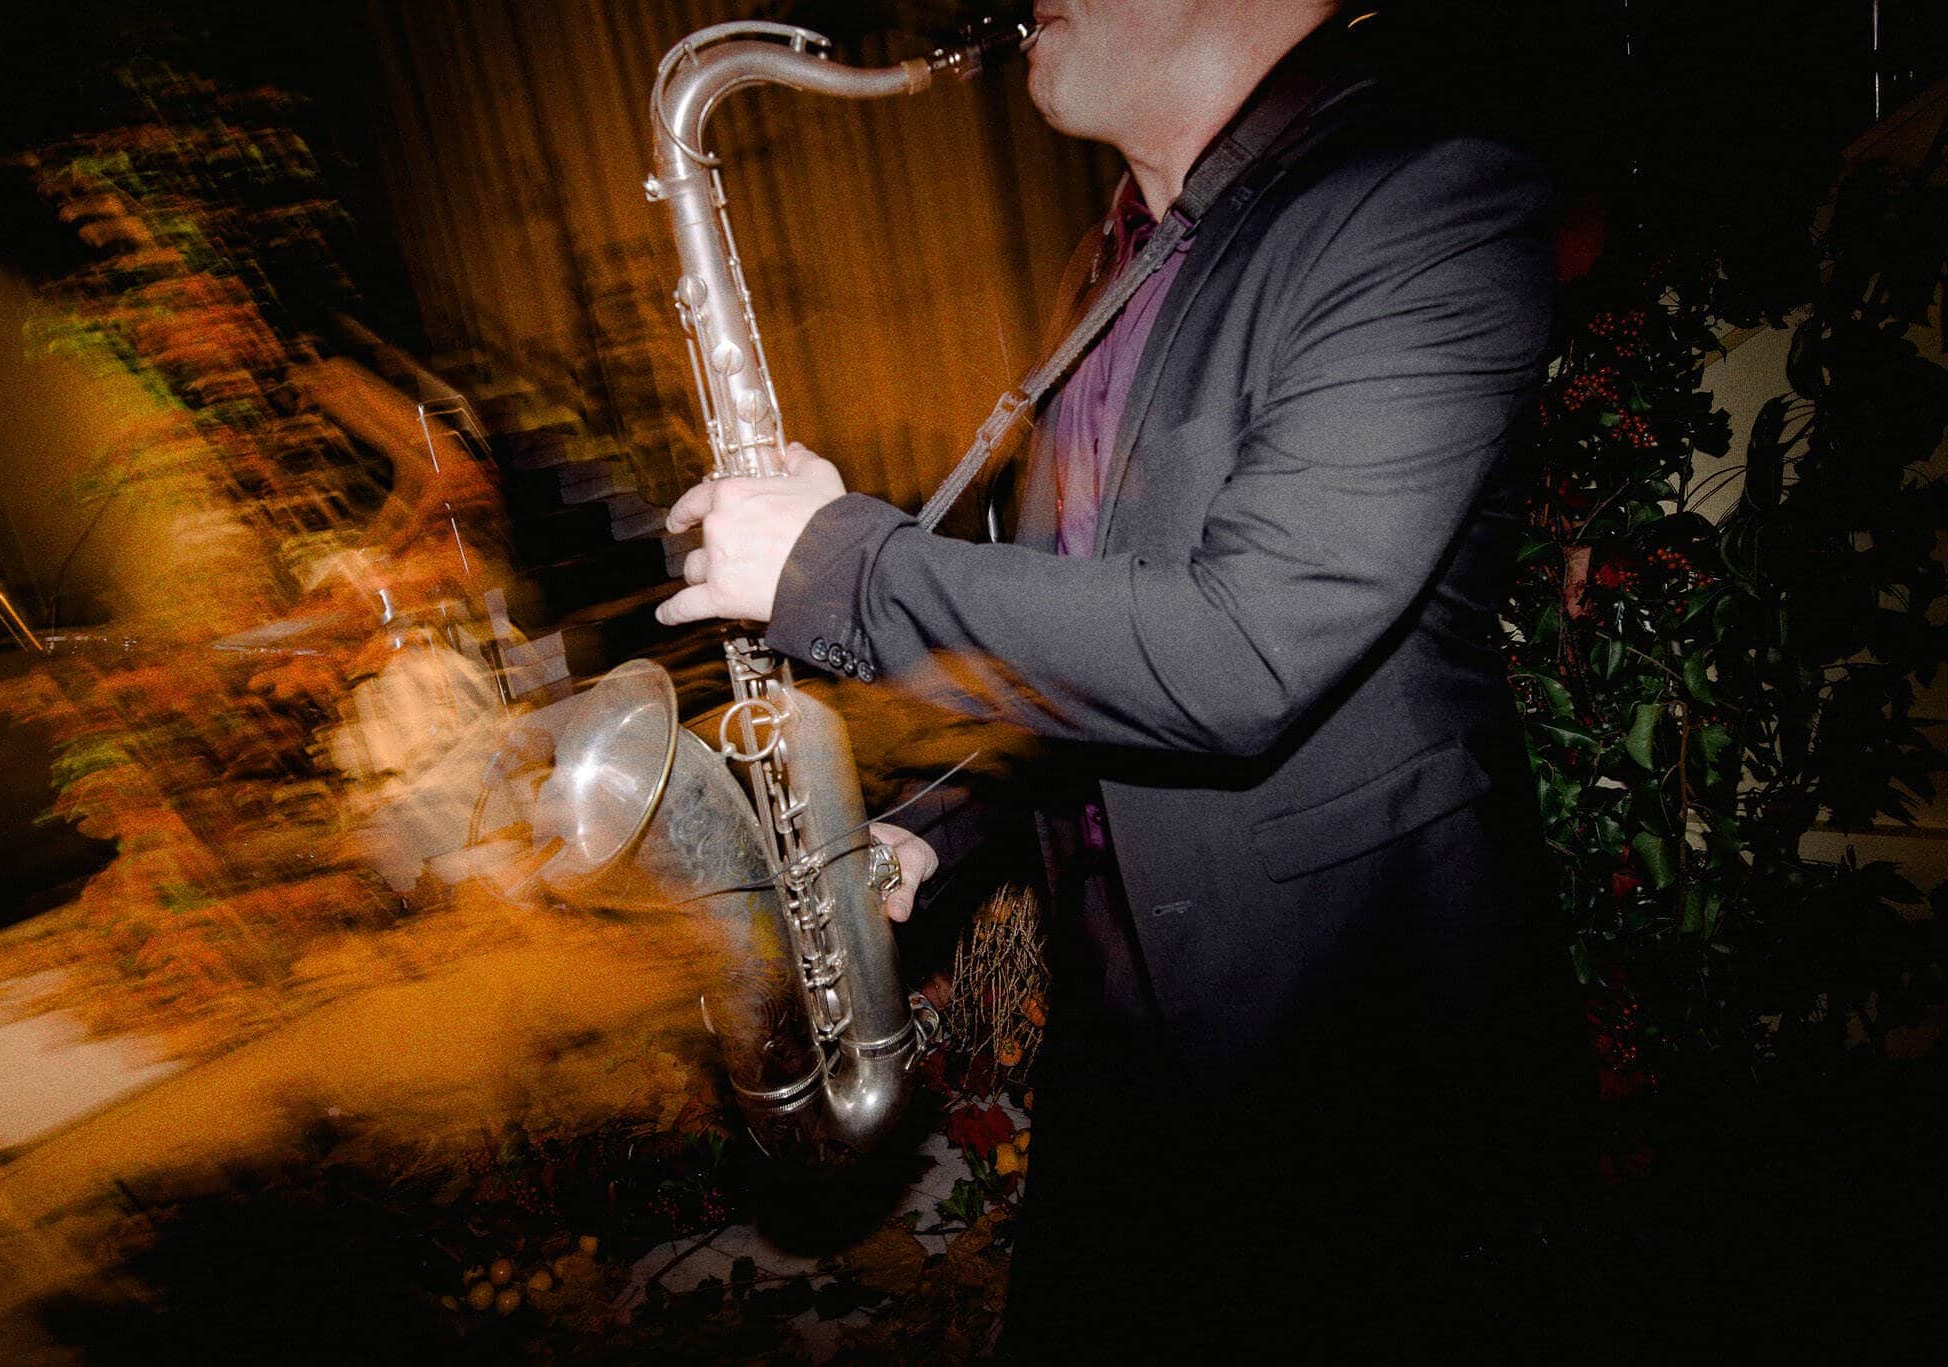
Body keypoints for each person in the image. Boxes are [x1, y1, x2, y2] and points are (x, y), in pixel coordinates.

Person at [657, 0, 1571, 1356]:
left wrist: (836, 564)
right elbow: (1096, 638)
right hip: (1128, 1044)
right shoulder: (1120, 256)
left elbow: (1246, 645)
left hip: (1358, 1058)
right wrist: (931, 833)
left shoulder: (1423, 197)